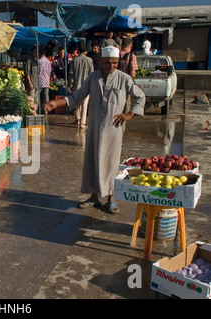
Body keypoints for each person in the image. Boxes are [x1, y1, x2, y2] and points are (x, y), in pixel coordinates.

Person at [43, 46, 146, 214]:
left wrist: (129, 114)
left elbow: (140, 96)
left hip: (114, 129)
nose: (111, 66)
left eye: (114, 63)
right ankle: (94, 197)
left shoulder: (124, 78)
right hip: (95, 128)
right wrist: (56, 103)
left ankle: (111, 199)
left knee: (111, 163)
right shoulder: (93, 78)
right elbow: (77, 96)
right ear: (101, 62)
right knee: (93, 160)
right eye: (107, 63)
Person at [68, 43, 94, 129]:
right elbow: (91, 74)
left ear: (78, 51)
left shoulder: (74, 61)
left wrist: (69, 85)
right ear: (85, 51)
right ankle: (83, 123)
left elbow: (70, 74)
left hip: (76, 85)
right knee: (84, 105)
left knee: (76, 104)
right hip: (86, 86)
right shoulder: (89, 60)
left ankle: (78, 119)